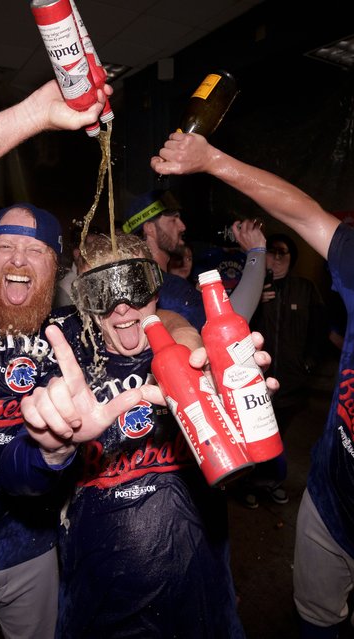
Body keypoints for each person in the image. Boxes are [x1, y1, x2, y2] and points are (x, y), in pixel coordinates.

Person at [0, 80, 190, 639]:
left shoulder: (69, 329)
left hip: (32, 552)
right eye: (5, 244)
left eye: (36, 249)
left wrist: (186, 339)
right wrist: (36, 113)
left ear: (56, 269)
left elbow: (155, 315)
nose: (18, 258)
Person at [151, 129, 353, 638]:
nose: (182, 224)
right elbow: (305, 212)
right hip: (331, 498)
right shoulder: (152, 286)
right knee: (317, 616)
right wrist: (212, 159)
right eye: (170, 217)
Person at [0, 232, 248, 639]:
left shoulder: (198, 357)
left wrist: (246, 408)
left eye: (134, 286)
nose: (121, 305)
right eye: (101, 290)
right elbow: (13, 482)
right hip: (97, 605)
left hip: (201, 600)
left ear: (156, 288)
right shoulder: (67, 364)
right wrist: (51, 449)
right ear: (83, 300)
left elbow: (264, 468)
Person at [241, 232, 328, 508]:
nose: (277, 259)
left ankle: (271, 483)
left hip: (291, 383)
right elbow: (234, 327)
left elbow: (319, 328)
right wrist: (255, 302)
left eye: (283, 254)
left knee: (277, 437)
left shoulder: (305, 288)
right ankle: (247, 485)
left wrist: (311, 360)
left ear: (292, 259)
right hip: (254, 383)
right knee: (252, 436)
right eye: (272, 252)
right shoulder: (250, 288)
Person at [123, 189, 267, 326]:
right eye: (174, 220)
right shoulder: (169, 288)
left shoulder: (142, 282)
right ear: (150, 228)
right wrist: (256, 251)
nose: (182, 227)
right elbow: (231, 328)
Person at [53, 222, 103, 308]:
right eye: (91, 248)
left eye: (99, 247)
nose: (98, 252)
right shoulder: (66, 287)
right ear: (76, 252)